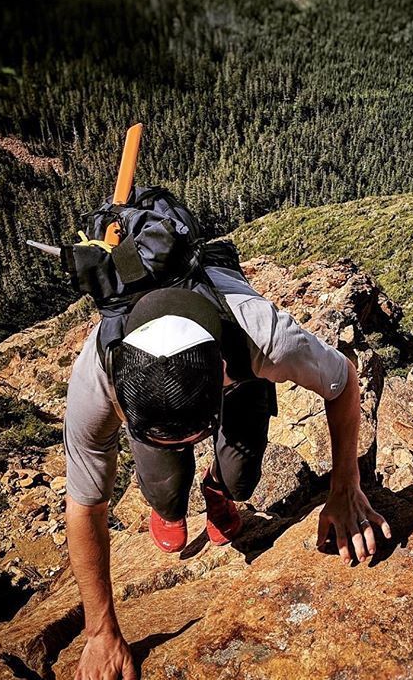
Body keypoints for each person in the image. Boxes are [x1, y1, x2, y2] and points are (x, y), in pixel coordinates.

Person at [64, 263, 391, 680]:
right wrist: (99, 632)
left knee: (242, 480)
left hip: (236, 374)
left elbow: (343, 378)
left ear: (222, 376)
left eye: (194, 434)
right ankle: (169, 506)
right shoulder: (96, 380)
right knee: (165, 493)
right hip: (172, 392)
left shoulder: (264, 339)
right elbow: (85, 505)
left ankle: (216, 488)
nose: (188, 444)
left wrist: (345, 486)